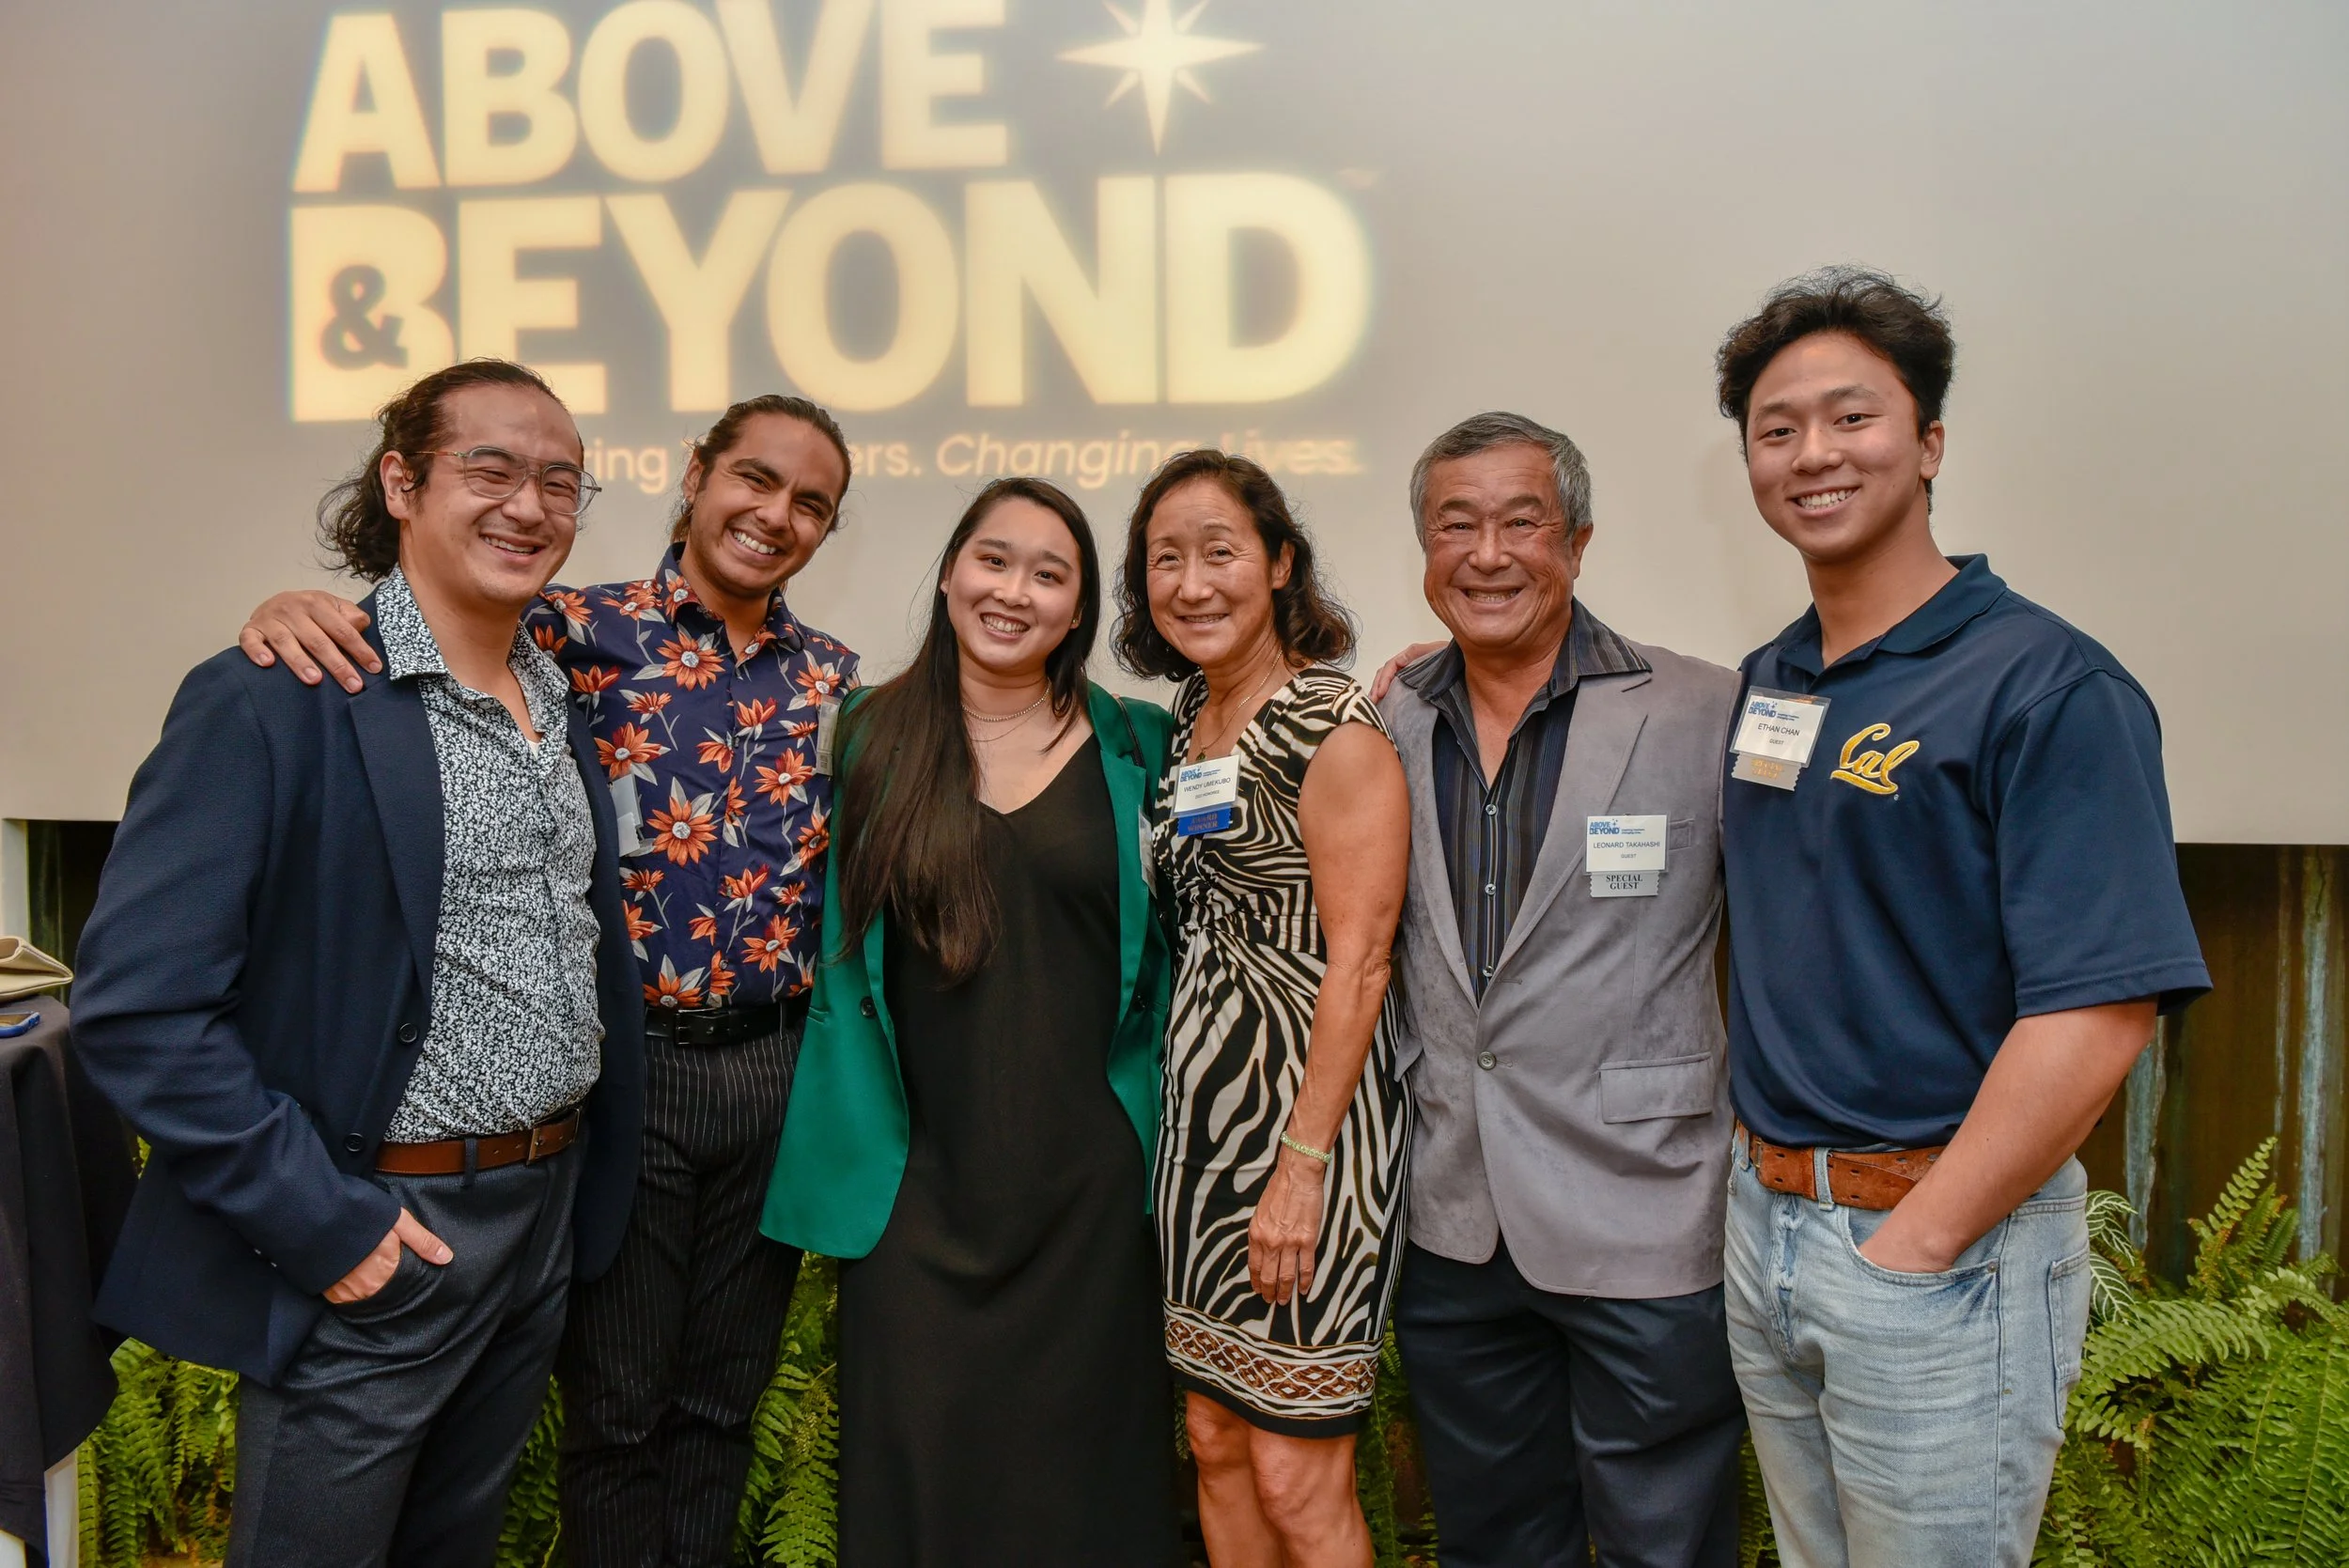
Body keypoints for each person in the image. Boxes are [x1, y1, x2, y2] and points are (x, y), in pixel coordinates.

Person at [238, 393, 857, 1568]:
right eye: (756, 480)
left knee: (722, 1406)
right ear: (696, 474)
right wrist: (288, 606)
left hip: (773, 1073)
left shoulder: (833, 680)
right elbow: (405, 633)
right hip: (633, 1080)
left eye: (811, 504)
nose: (775, 515)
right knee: (617, 1413)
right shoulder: (568, 629)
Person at [71, 359, 647, 1568]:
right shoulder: (276, 695)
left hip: (537, 1219)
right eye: (489, 469)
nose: (529, 505)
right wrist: (328, 1227)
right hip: (383, 1223)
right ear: (401, 479)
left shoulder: (556, 689)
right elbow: (138, 1008)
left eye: (559, 481)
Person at [1711, 269, 2210, 1566]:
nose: (1811, 453)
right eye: (1776, 429)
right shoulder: (1775, 679)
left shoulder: (2049, 684)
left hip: (1938, 1241)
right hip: (1767, 1226)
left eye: (1851, 417)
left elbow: (2103, 1006)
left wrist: (1917, 1244)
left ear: (1929, 444)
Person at [761, 477, 1183, 1565]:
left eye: (1052, 574)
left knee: (1088, 1489)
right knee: (920, 1487)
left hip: (1089, 1196)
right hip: (912, 1190)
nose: (1015, 591)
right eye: (994, 560)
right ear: (950, 570)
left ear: (1080, 608)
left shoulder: (1146, 745)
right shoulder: (857, 733)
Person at [1363, 412, 1748, 1567]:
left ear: (1576, 541)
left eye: (1520, 522)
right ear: (1424, 551)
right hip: (1454, 1218)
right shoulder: (1377, 720)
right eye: (1455, 525)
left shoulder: (1702, 709)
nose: (1488, 553)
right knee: (1491, 1543)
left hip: (1647, 1210)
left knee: (1664, 1545)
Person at [1117, 450, 1412, 1568]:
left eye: (1221, 552)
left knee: (1295, 1469)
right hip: (1200, 1138)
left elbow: (1364, 964)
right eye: (1165, 559)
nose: (1192, 583)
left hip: (1306, 1139)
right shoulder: (1192, 712)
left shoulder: (1329, 727)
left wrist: (1301, 1163)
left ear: (1280, 563)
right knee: (1215, 1438)